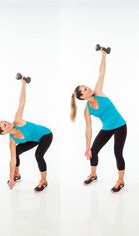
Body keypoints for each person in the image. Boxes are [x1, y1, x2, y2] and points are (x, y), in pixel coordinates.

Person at [70, 48, 127, 192]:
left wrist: (103, 55)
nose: (88, 88)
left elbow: (101, 73)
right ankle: (93, 175)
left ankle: (120, 181)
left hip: (120, 125)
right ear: (82, 97)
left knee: (117, 152)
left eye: (86, 87)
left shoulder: (98, 92)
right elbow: (88, 129)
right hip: (107, 127)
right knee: (94, 151)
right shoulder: (87, 110)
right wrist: (87, 147)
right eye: (85, 89)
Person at [0, 77, 53, 191]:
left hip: (46, 135)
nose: (7, 122)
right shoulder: (12, 140)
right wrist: (11, 178)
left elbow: (22, 102)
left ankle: (44, 181)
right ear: (4, 133)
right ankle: (16, 175)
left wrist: (23, 84)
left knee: (39, 155)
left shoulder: (17, 120)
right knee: (16, 152)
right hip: (34, 139)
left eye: (4, 121)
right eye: (4, 125)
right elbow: (12, 160)